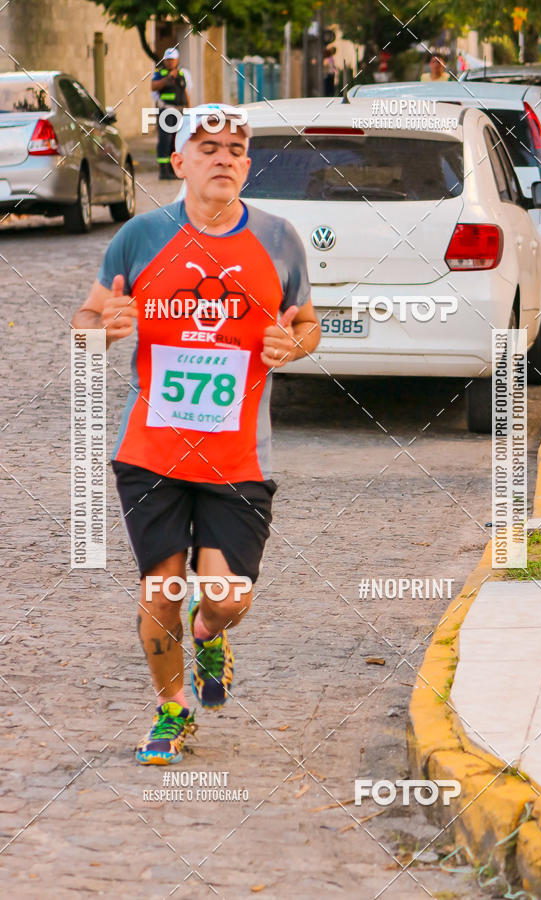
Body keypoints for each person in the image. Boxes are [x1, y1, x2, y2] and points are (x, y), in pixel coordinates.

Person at [71, 104, 321, 765]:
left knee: (226, 596)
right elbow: (85, 319)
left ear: (246, 164)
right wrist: (103, 327)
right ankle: (173, 710)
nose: (224, 158)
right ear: (178, 163)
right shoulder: (140, 237)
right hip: (151, 449)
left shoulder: (278, 239)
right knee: (161, 589)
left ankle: (209, 631)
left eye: (236, 150)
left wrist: (290, 345)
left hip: (239, 454)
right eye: (207, 147)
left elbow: (308, 324)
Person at [152, 48, 190, 179]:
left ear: (177, 60)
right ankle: (163, 171)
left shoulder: (182, 74)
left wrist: (189, 110)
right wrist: (168, 78)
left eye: (172, 59)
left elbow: (185, 92)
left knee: (177, 139)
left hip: (180, 111)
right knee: (165, 140)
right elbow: (153, 86)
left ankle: (173, 169)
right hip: (166, 111)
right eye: (167, 60)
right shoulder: (160, 73)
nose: (169, 62)